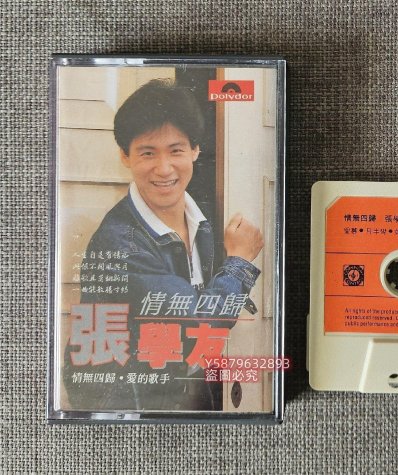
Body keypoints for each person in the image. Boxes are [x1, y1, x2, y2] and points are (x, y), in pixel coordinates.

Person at [63, 79, 263, 411]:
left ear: (195, 150)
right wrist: (239, 261)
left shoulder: (200, 220)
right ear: (125, 156)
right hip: (130, 407)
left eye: (176, 150)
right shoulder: (120, 242)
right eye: (147, 153)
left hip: (181, 390)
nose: (164, 168)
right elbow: (198, 324)